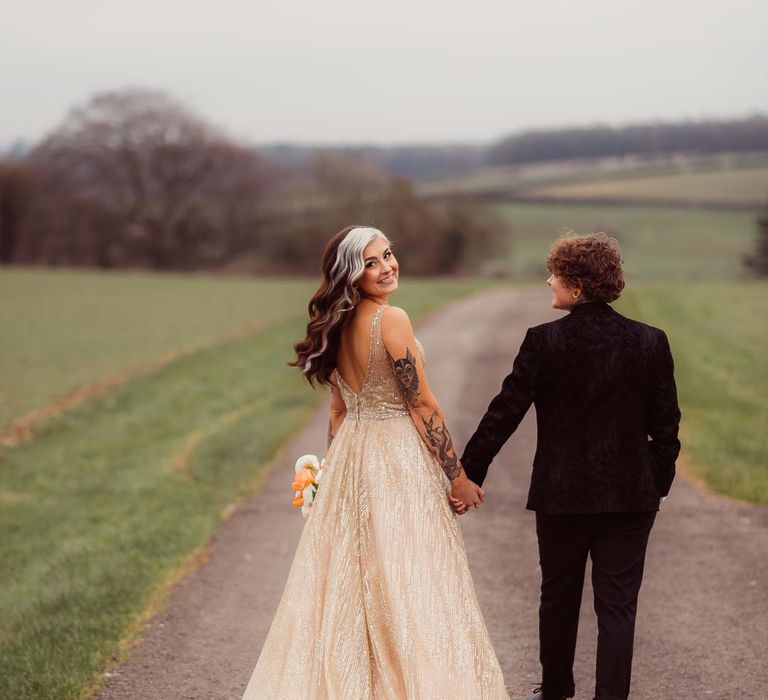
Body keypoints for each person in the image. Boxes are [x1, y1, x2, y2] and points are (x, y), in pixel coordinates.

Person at [241, 225, 509, 699]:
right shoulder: (391, 319)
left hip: (352, 457)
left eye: (388, 255)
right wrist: (458, 476)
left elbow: (340, 411)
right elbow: (422, 404)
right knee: (411, 578)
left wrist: (333, 476)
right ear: (351, 274)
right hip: (397, 458)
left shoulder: (338, 324)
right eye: (371, 262)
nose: (387, 267)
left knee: (357, 584)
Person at [460, 232, 681, 700]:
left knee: (558, 598)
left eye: (555, 274)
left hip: (561, 497)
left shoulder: (544, 342)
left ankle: (556, 690)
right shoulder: (650, 341)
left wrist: (467, 471)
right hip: (630, 498)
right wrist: (655, 483)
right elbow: (667, 427)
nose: (548, 281)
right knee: (618, 607)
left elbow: (505, 412)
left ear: (577, 284)